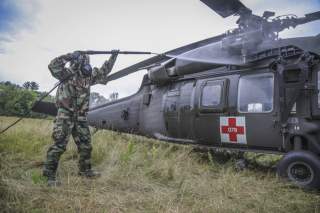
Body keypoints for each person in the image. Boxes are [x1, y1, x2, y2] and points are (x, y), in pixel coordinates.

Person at [43, 50, 119, 186]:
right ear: (76, 62)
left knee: (86, 146)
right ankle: (49, 175)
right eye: (83, 61)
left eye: (87, 62)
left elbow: (104, 72)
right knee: (59, 145)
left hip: (81, 117)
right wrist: (69, 56)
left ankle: (85, 171)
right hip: (65, 116)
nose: (86, 65)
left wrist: (113, 57)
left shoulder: (88, 76)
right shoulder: (65, 74)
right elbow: (52, 65)